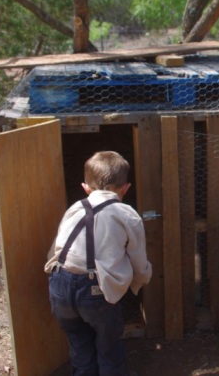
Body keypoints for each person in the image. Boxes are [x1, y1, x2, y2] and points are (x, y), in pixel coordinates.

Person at [45, 151, 152, 376]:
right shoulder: (127, 215)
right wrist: (139, 283)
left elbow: (55, 249)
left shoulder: (73, 209)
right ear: (126, 188)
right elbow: (139, 261)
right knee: (109, 348)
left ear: (85, 187)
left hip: (60, 286)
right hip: (95, 291)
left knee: (79, 345)